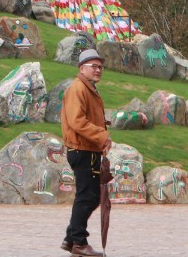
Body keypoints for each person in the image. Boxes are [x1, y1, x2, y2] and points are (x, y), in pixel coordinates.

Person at [60, 48, 113, 256]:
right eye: (94, 66)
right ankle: (79, 242)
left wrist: (101, 136)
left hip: (88, 149)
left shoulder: (87, 88)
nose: (98, 70)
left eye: (100, 67)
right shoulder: (78, 88)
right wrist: (102, 136)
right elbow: (77, 121)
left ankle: (71, 239)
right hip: (82, 150)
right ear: (82, 68)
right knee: (88, 196)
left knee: (90, 196)